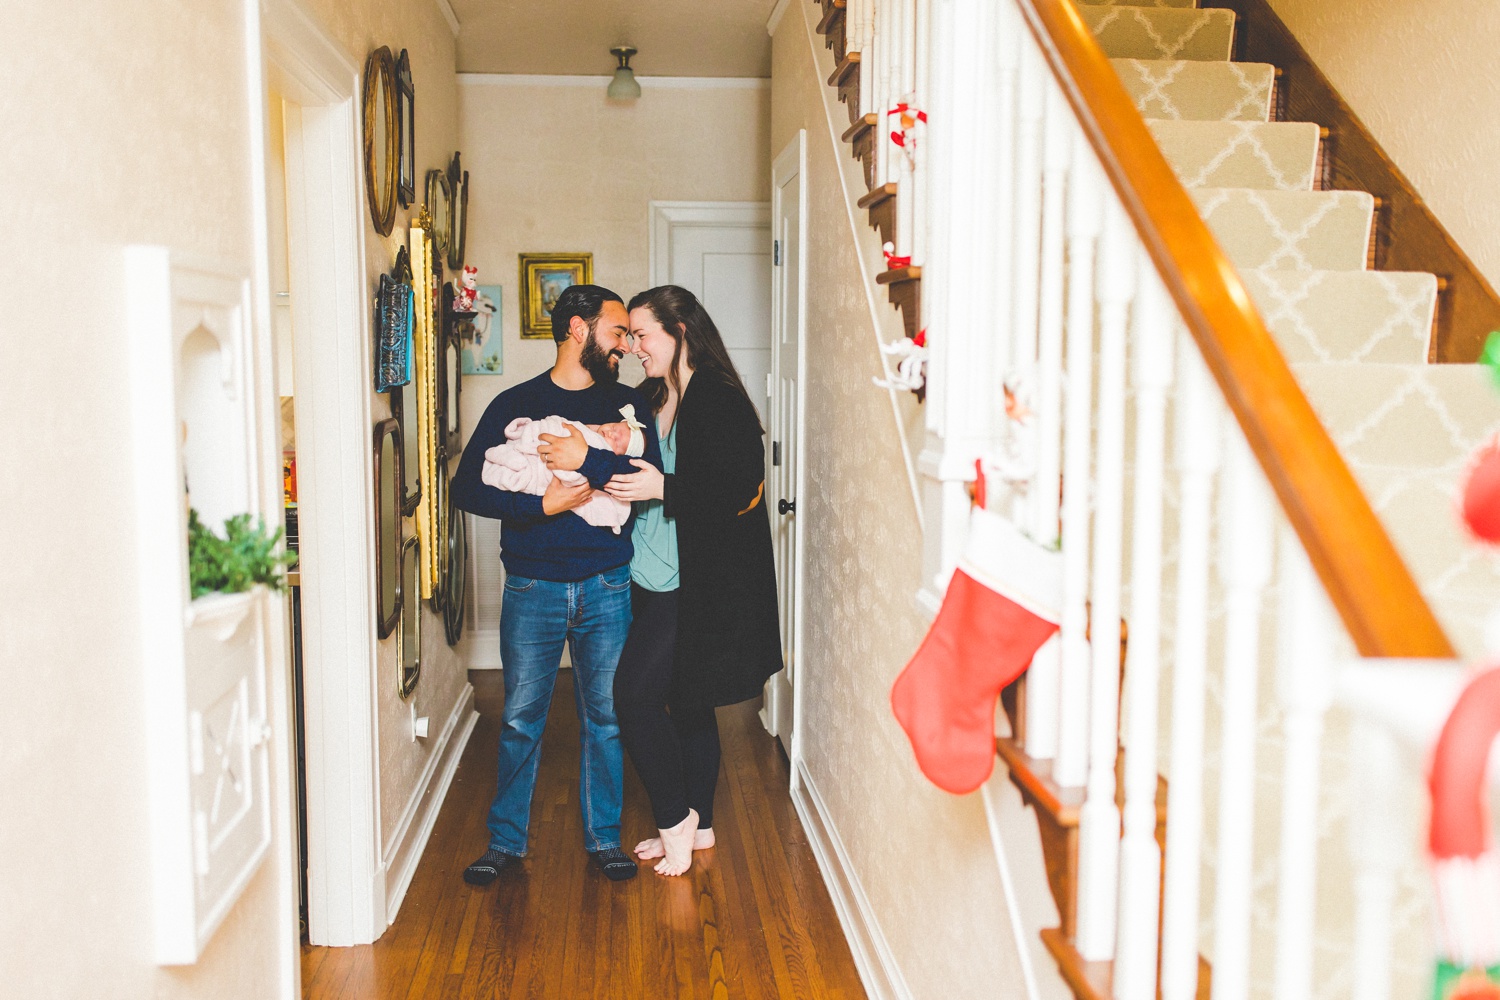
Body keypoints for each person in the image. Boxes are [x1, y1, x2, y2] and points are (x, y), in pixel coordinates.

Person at [451, 284, 662, 885]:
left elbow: (652, 478)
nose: (624, 344)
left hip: (608, 586)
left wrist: (594, 465)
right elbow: (467, 488)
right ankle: (505, 843)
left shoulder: (629, 408)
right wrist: (539, 504)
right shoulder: (514, 403)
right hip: (531, 589)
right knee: (520, 717)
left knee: (607, 717)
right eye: (616, 332)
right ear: (577, 329)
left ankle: (603, 839)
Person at [602, 285, 784, 877]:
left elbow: (737, 488)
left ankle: (675, 817)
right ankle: (700, 824)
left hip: (693, 580)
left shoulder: (720, 398)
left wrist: (664, 488)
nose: (633, 346)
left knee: (634, 696)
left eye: (641, 334)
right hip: (648, 571)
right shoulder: (653, 395)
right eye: (627, 336)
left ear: (679, 332)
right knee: (688, 702)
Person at [481, 407, 648, 533]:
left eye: (618, 443)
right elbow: (466, 489)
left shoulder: (631, 398)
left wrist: (585, 459)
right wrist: (542, 505)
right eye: (614, 427)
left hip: (606, 571)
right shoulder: (513, 399)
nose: (612, 434)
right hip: (530, 568)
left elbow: (645, 472)